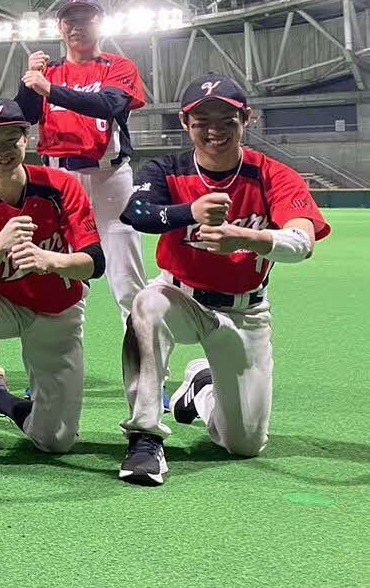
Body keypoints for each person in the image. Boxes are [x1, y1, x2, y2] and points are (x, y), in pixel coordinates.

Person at [116, 75, 331, 486]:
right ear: (185, 123)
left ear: (246, 120)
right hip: (182, 298)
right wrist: (190, 212)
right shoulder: (168, 169)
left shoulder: (272, 174)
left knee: (243, 443)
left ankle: (201, 386)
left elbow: (302, 243)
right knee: (147, 303)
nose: (214, 131)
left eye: (226, 120)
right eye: (202, 121)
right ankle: (145, 437)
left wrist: (246, 238)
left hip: (246, 311)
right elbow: (137, 213)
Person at [0, 98, 103, 479]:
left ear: (27, 139)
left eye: (12, 139)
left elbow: (95, 262)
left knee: (55, 440)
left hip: (58, 308)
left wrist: (50, 261)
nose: (2, 151)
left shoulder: (60, 186)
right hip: (4, 305)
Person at [15, 0, 146, 320]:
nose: (77, 26)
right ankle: (61, 353)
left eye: (85, 18)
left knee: (128, 282)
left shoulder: (118, 66)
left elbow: (110, 104)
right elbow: (24, 116)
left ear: (100, 22)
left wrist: (50, 90)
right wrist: (28, 83)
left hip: (109, 178)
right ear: (60, 27)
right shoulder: (48, 71)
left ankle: (145, 354)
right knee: (62, 276)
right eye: (69, 20)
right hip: (58, 179)